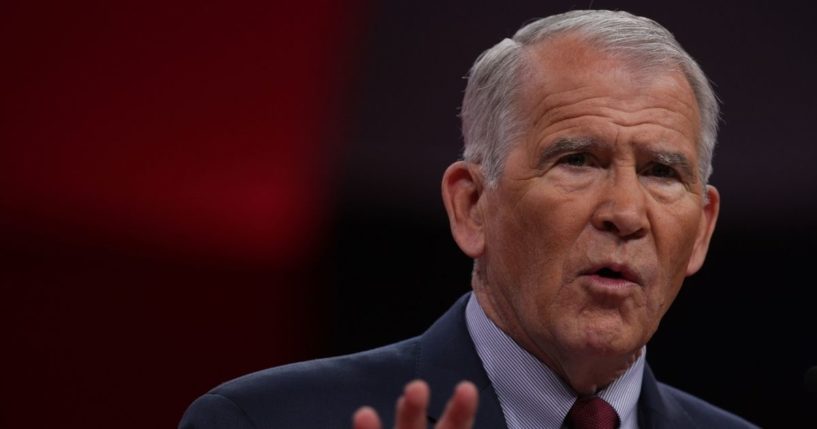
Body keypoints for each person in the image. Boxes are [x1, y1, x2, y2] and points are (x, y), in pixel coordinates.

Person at [180, 10, 758, 429]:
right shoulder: (259, 421)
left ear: (701, 230)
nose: (626, 214)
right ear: (471, 206)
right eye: (577, 160)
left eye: (661, 172)